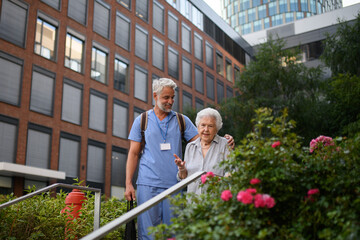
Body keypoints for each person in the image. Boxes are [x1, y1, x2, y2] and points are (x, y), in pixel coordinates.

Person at [125, 78, 234, 240]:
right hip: (147, 184)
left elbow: (206, 138)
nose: (170, 101)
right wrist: (128, 183)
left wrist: (226, 140)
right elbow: (133, 154)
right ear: (155, 96)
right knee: (147, 234)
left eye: (172, 98)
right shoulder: (142, 120)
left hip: (175, 186)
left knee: (174, 234)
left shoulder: (181, 120)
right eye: (166, 98)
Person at [174, 108, 231, 194]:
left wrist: (218, 181)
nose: (206, 129)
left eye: (210, 126)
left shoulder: (225, 144)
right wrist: (182, 169)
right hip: (194, 202)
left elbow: (231, 173)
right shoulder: (190, 147)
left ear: (217, 129)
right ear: (197, 127)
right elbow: (184, 178)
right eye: (203, 125)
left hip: (217, 202)